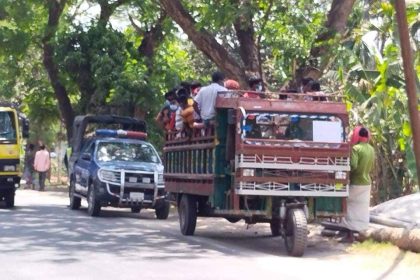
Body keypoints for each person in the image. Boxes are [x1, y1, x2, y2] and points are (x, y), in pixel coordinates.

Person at [339, 126, 375, 242]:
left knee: (348, 206)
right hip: (367, 182)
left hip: (356, 182)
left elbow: (353, 165)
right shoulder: (371, 149)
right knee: (362, 209)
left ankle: (349, 235)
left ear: (357, 136)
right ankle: (361, 233)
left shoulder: (356, 149)